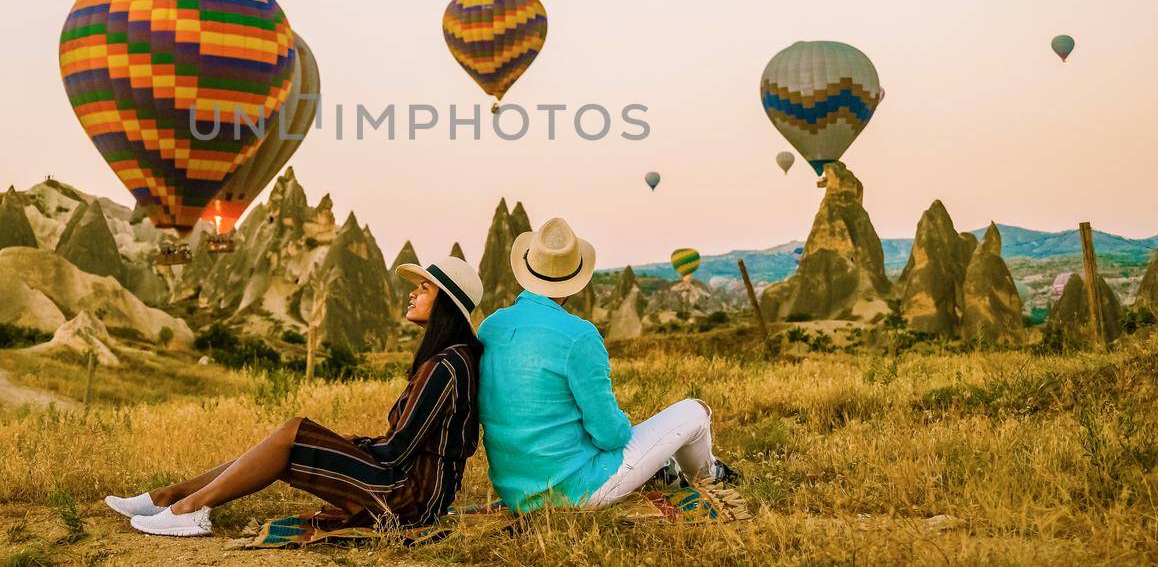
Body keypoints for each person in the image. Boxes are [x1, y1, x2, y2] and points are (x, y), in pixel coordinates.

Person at [108, 256, 485, 537]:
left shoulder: (446, 366)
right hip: (406, 487)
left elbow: (397, 451)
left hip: (410, 498)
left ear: (446, 304)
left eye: (424, 288)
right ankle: (169, 498)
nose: (412, 293)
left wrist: (351, 446)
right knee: (285, 441)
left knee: (294, 432)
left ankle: (189, 508)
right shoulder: (448, 360)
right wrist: (351, 445)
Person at [477, 217, 737, 513]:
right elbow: (611, 436)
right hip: (580, 490)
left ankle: (665, 469)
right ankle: (709, 477)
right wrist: (623, 423)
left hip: (516, 491)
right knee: (696, 410)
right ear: (575, 282)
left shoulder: (490, 327)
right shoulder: (579, 335)